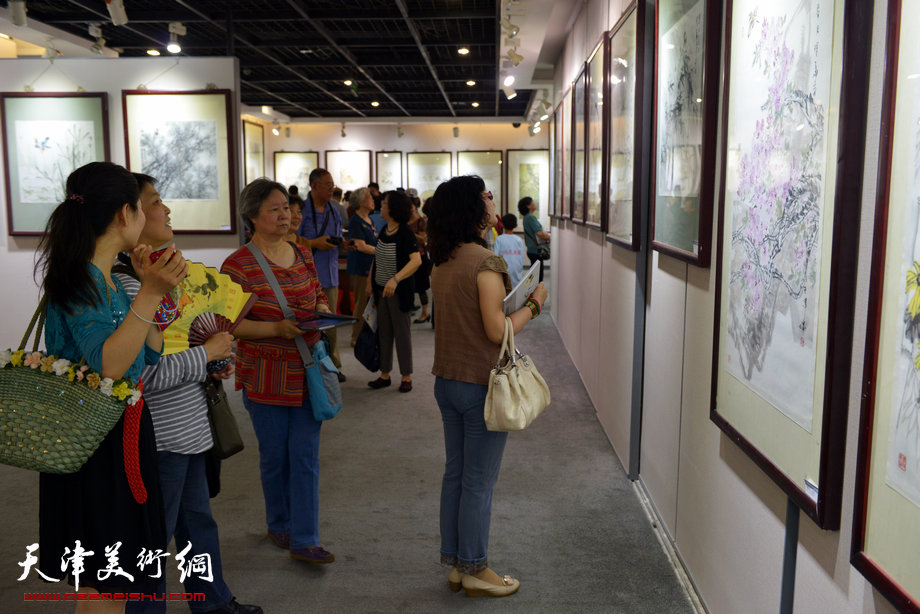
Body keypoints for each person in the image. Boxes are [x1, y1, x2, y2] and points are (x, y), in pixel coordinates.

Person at [36, 161, 188, 612]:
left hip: (121, 437)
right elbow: (109, 366)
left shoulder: (107, 280)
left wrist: (148, 289)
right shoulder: (81, 280)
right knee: (105, 587)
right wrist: (149, 294)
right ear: (125, 214)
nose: (149, 216)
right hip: (92, 448)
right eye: (144, 208)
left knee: (115, 584)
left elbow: (150, 351)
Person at [114, 174, 262, 614]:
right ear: (129, 217)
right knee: (153, 541)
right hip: (156, 435)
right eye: (155, 202)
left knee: (198, 524)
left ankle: (213, 602)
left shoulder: (165, 276)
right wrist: (206, 355)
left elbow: (180, 352)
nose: (166, 209)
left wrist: (212, 361)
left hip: (189, 429)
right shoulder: (130, 288)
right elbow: (142, 374)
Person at [427, 175, 547, 598]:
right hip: (481, 384)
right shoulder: (485, 262)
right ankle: (475, 566)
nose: (492, 202)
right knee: (478, 481)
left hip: (447, 381)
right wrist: (533, 304)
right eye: (487, 196)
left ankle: (458, 563)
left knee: (456, 475)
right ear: (473, 208)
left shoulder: (442, 258)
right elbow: (498, 331)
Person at [221, 179, 336, 565]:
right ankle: (279, 523)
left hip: (306, 371)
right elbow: (228, 325)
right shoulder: (237, 265)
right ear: (252, 216)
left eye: (286, 207)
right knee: (275, 458)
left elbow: (317, 292)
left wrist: (321, 312)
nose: (285, 215)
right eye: (275, 209)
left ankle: (305, 538)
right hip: (264, 375)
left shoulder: (301, 253)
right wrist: (275, 329)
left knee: (305, 456)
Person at [366, 190, 421, 392]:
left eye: (385, 203)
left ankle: (406, 376)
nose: (381, 205)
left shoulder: (405, 232)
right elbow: (378, 257)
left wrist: (395, 280)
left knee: (402, 334)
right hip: (381, 292)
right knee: (384, 334)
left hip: (398, 293)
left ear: (394, 208)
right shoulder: (385, 230)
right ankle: (385, 373)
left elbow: (416, 261)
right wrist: (370, 282)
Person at [297, 168, 346, 381]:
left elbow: (337, 236)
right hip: (306, 276)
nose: (331, 189)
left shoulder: (334, 209)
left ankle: (333, 366)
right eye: (327, 185)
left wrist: (345, 244)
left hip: (330, 273)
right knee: (307, 323)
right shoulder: (301, 210)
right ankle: (309, 366)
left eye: (332, 184)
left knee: (331, 322)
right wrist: (314, 243)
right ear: (314, 186)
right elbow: (292, 240)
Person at [346, 187, 377, 346]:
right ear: (361, 202)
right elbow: (360, 246)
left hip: (372, 266)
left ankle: (366, 334)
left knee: (369, 302)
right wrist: (381, 251)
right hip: (361, 266)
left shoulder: (370, 220)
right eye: (369, 198)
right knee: (361, 302)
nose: (372, 200)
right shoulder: (356, 221)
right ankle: (355, 336)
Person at [407, 199, 431, 323]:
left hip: (420, 256)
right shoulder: (405, 221)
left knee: (421, 286)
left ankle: (425, 312)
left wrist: (409, 233)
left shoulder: (421, 221)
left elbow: (423, 239)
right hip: (407, 256)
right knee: (408, 285)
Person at [493, 213, 526, 287]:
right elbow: (521, 257)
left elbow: (495, 257)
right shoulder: (519, 240)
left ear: (502, 225)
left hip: (504, 272)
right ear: (516, 225)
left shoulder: (499, 239)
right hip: (516, 272)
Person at [518, 197, 550, 265]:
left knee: (535, 273)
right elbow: (539, 233)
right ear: (528, 206)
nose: (535, 203)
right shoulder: (530, 217)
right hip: (536, 250)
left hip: (532, 250)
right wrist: (549, 237)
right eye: (533, 202)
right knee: (538, 274)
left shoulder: (526, 217)